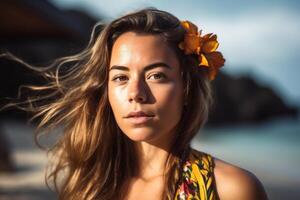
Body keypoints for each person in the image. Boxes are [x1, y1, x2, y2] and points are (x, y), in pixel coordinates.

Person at [8, 8, 268, 200]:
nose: (136, 93)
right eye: (120, 77)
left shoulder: (231, 190)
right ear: (106, 91)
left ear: (186, 88)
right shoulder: (88, 186)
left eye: (156, 75)